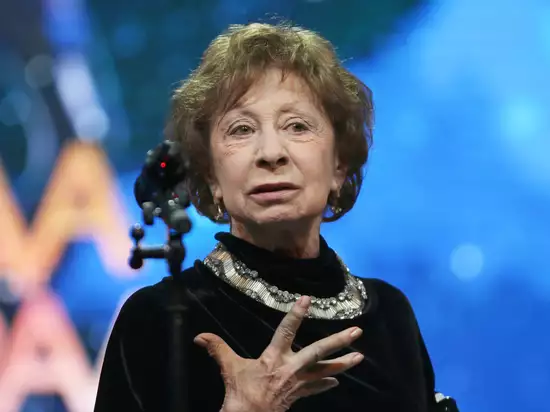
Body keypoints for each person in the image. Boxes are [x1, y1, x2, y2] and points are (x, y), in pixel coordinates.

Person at [94, 22, 459, 412]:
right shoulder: (162, 319)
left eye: (297, 126)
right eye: (241, 129)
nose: (271, 153)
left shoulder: (390, 313)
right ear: (211, 176)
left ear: (338, 165)